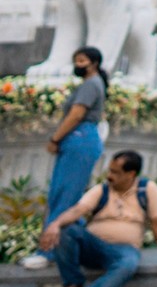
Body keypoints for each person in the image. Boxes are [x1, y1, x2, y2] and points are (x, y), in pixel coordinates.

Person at [38, 150, 157, 287]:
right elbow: (78, 210)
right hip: (93, 246)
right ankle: (73, 284)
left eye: (116, 172)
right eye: (110, 170)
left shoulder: (147, 190)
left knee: (128, 265)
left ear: (131, 174)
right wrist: (55, 224)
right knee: (67, 231)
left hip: (124, 250)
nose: (109, 176)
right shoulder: (101, 190)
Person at [23, 46, 109, 271]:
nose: (77, 65)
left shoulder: (91, 84)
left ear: (94, 63)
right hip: (80, 140)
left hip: (79, 138)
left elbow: (77, 114)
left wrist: (55, 138)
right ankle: (73, 250)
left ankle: (49, 251)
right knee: (64, 195)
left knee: (65, 196)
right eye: (76, 60)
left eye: (81, 60)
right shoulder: (92, 83)